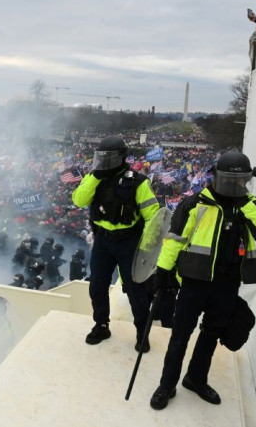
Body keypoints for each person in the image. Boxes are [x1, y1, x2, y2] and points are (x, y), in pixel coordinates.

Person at [149, 151, 256, 410]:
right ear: (215, 177)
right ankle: (167, 384)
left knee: (210, 334)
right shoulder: (194, 204)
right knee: (180, 335)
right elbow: (174, 241)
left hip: (227, 283)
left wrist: (246, 204)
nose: (233, 185)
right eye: (228, 179)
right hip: (194, 283)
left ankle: (195, 379)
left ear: (247, 180)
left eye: (239, 180)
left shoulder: (250, 205)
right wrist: (162, 272)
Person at [72, 136, 160, 352]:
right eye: (101, 157)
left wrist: (145, 246)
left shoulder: (138, 182)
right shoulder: (94, 177)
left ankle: (142, 331)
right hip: (103, 240)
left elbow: (153, 215)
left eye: (109, 157)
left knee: (135, 290)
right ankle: (101, 325)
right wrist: (95, 177)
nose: (104, 161)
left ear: (122, 157)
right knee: (97, 286)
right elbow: (79, 200)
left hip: (129, 242)